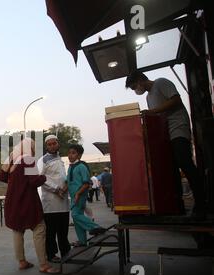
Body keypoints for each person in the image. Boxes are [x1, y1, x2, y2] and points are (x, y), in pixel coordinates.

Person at [125, 71, 206, 217]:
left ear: (139, 80)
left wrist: (152, 111)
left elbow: (176, 100)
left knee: (185, 162)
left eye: (134, 87)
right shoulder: (149, 97)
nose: (135, 90)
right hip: (166, 133)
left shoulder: (160, 83)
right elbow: (156, 116)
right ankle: (177, 205)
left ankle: (202, 202)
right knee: (171, 167)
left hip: (178, 127)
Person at [0, 138, 59, 274]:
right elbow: (34, 181)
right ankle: (43, 264)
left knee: (17, 230)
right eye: (32, 146)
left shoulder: (12, 160)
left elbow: (2, 177)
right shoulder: (28, 160)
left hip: (13, 202)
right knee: (39, 229)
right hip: (27, 201)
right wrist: (43, 176)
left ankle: (22, 261)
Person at [37, 135, 71, 264]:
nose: (52, 146)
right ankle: (51, 254)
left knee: (63, 230)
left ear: (58, 144)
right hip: (51, 201)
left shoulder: (60, 159)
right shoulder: (43, 160)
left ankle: (65, 251)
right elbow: (41, 178)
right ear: (46, 146)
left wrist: (65, 188)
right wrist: (57, 189)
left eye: (54, 143)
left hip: (63, 200)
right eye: (49, 144)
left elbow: (63, 176)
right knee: (51, 231)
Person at [67, 145, 106, 247]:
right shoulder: (71, 167)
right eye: (69, 153)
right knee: (76, 219)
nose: (70, 155)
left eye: (73, 153)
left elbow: (86, 183)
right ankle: (82, 241)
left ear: (79, 155)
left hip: (79, 196)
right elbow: (69, 182)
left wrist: (78, 194)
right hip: (73, 196)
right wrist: (63, 190)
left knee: (75, 215)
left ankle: (95, 227)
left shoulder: (81, 167)